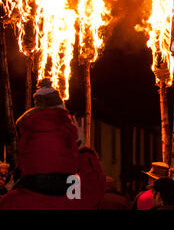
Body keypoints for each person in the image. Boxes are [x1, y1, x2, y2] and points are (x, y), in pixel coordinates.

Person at [0, 79, 106, 209]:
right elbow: (95, 188)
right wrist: (84, 150)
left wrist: (8, 189)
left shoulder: (13, 202)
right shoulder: (76, 200)